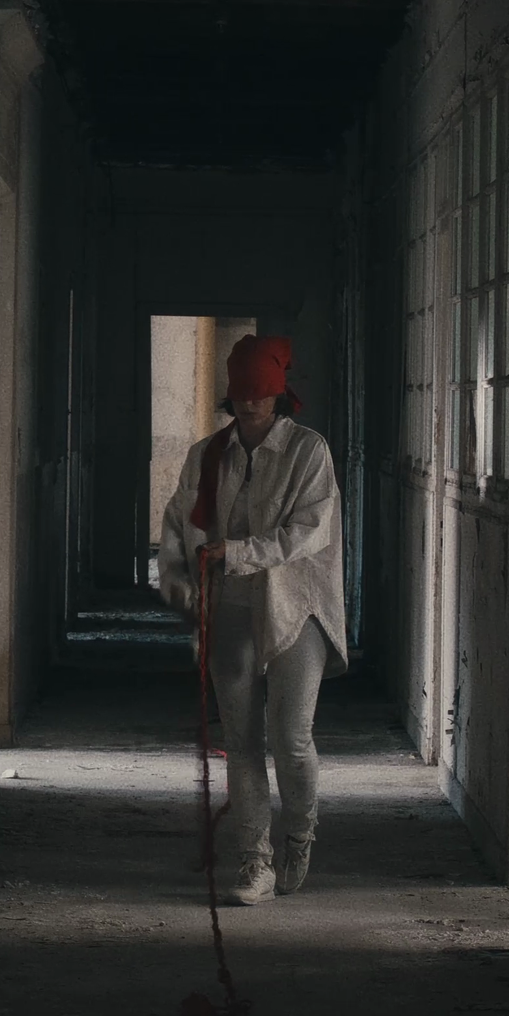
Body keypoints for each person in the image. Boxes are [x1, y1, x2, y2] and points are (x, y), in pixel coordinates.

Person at [158, 333, 347, 906]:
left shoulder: (308, 452)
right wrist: (184, 581)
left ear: (279, 397)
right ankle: (253, 860)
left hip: (296, 606)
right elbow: (181, 522)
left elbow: (304, 532)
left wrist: (236, 553)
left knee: (290, 738)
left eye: (261, 397)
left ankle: (299, 838)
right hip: (233, 609)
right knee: (240, 741)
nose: (249, 407)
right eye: (241, 396)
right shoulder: (207, 455)